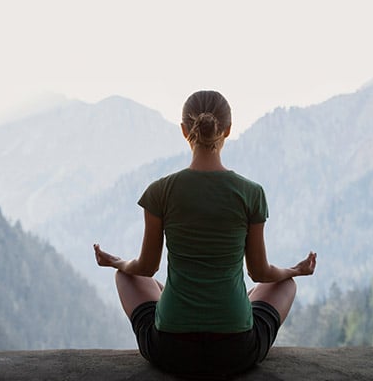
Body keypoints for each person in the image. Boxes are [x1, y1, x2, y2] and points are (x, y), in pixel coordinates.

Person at [93, 90, 316, 378]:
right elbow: (260, 273)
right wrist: (294, 270)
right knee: (286, 284)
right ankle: (233, 303)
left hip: (171, 348)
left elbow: (146, 268)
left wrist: (117, 262)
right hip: (235, 350)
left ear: (184, 130)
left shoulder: (161, 191)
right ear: (229, 130)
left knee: (127, 276)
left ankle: (173, 299)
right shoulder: (251, 193)